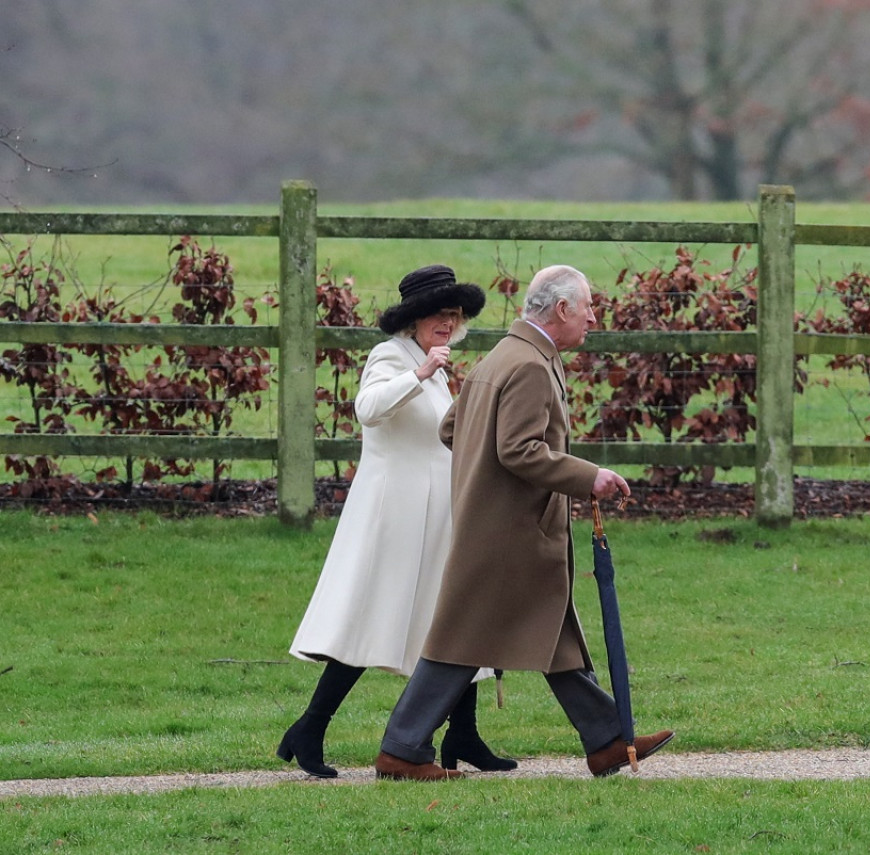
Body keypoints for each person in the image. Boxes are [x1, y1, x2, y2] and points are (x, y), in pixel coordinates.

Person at [374, 264, 675, 781]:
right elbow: (518, 449)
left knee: (553, 631)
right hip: (510, 534)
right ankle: (402, 750)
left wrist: (480, 476)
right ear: (561, 310)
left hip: (509, 529)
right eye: (587, 308)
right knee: (460, 642)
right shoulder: (531, 365)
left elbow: (453, 427)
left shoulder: (505, 355)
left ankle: (606, 740)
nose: (593, 317)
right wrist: (590, 477)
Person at [278, 264, 516, 778]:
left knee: (450, 619)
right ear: (414, 319)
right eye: (439, 315)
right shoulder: (392, 357)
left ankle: (464, 734)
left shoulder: (438, 363)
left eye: (455, 315)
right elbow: (368, 409)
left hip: (437, 512)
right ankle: (310, 727)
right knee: (369, 622)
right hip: (393, 515)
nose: (448, 324)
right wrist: (421, 374)